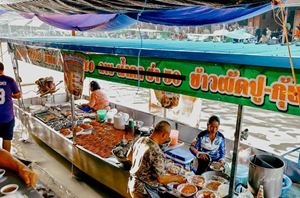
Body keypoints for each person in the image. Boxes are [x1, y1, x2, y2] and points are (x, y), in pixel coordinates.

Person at [127, 121, 185, 198]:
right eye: (167, 137)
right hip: (144, 191)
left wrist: (143, 166)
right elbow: (161, 179)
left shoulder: (140, 139)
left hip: (133, 185)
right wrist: (177, 178)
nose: (166, 139)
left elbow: (129, 156)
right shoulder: (156, 151)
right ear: (163, 135)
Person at [0, 62, 21, 152]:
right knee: (7, 139)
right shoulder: (10, 80)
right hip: (7, 117)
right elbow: (18, 95)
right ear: (2, 70)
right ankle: (6, 161)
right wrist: (11, 95)